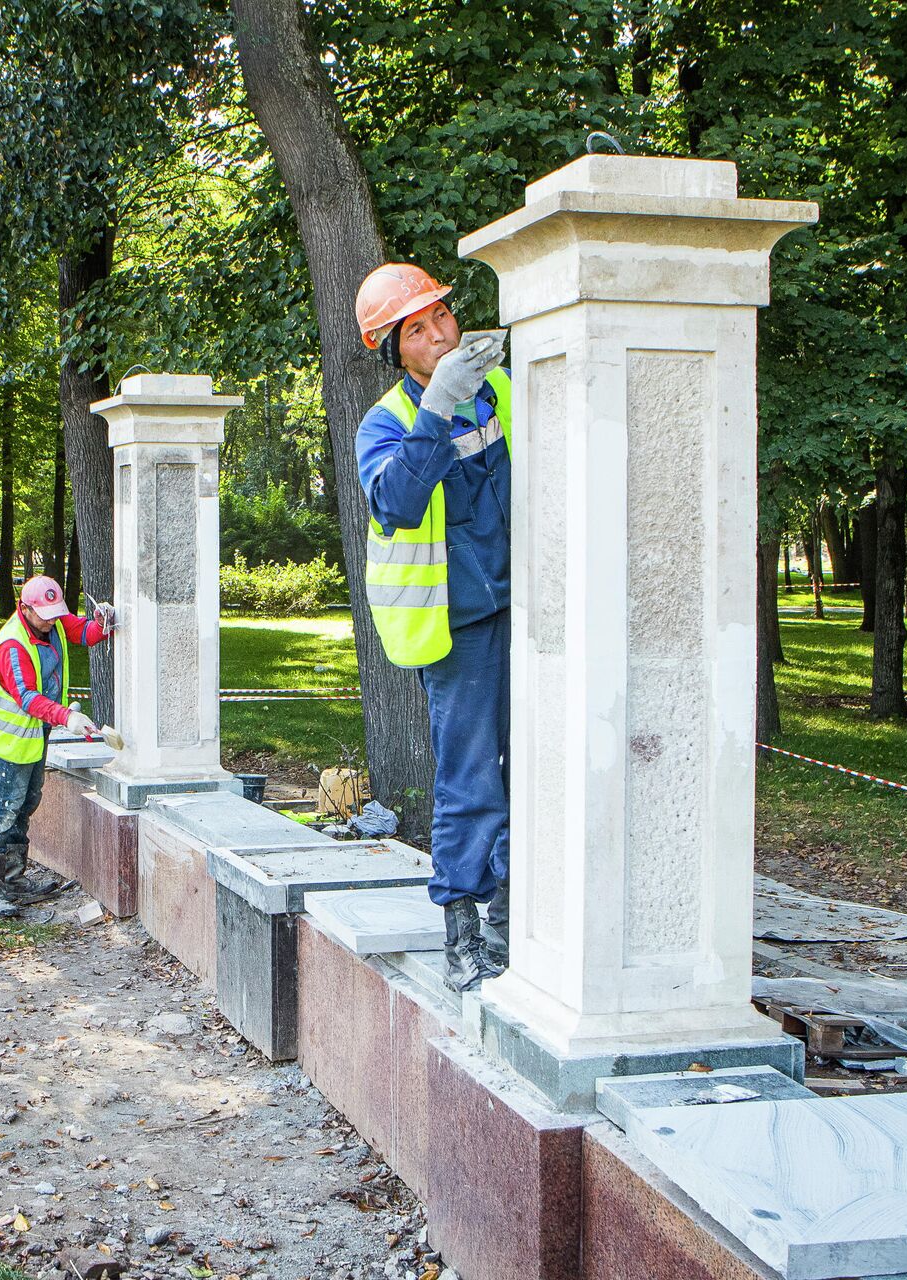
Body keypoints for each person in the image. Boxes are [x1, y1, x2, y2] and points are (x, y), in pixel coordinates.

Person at [352, 262, 514, 992]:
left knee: (535, 763)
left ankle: (513, 907)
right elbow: (399, 505)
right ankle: (460, 926)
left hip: (528, 610)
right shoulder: (385, 424)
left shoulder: (502, 391)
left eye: (442, 315)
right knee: (470, 776)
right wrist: (437, 410)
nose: (441, 333)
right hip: (458, 627)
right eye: (417, 329)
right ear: (394, 350)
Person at [0, 574, 116, 916]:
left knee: (26, 804)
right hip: (11, 740)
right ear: (24, 609)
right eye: (46, 614)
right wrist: (66, 717)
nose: (53, 620)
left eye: (56, 612)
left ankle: (12, 879)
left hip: (36, 734)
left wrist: (101, 622)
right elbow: (26, 696)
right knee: (2, 810)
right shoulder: (10, 645)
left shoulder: (50, 621)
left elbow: (83, 633)